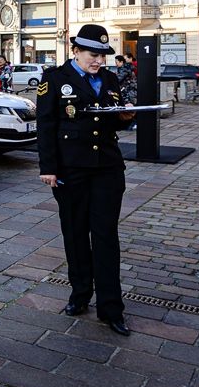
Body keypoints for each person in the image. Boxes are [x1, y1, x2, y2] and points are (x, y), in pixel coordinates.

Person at [36, 24, 135, 336]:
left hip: (107, 167)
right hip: (70, 169)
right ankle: (80, 294)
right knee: (75, 233)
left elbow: (110, 122)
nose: (99, 61)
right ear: (75, 50)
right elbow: (46, 124)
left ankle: (111, 308)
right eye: (93, 55)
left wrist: (125, 116)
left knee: (105, 235)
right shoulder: (54, 79)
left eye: (102, 56)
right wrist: (48, 167)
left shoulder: (108, 79)